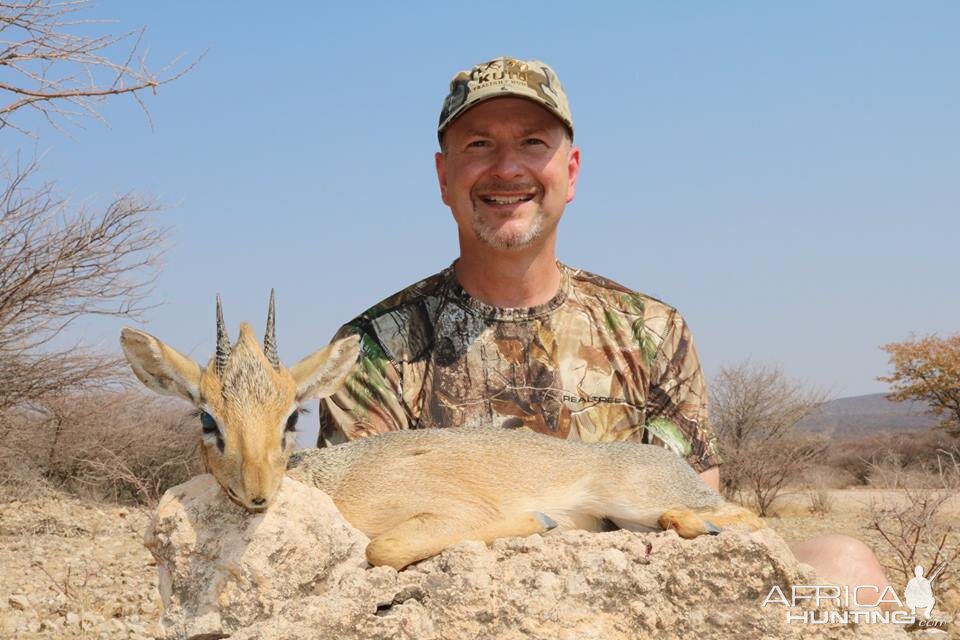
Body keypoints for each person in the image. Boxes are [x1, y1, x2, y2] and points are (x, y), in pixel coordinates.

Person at [318, 55, 889, 607]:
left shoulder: (651, 329)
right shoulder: (372, 349)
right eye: (478, 144)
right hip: (466, 600)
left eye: (533, 143)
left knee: (847, 565)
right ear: (444, 177)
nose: (507, 168)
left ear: (570, 172)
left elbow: (700, 516)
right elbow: (369, 544)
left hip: (638, 592)